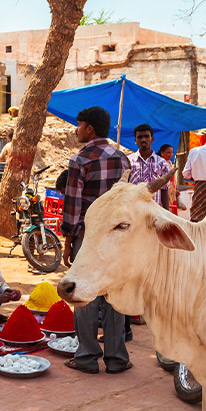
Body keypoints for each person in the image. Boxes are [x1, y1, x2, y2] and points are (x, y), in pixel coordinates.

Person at [62, 106, 131, 374]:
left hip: (87, 238)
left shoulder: (80, 160)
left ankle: (87, 356)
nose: (76, 130)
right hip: (117, 240)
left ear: (89, 128)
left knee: (83, 294)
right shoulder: (124, 160)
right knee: (115, 295)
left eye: (79, 125)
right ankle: (116, 358)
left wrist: (68, 241)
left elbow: (73, 205)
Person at [127, 124, 170, 209]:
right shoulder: (128, 161)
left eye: (146, 136)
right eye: (140, 137)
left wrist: (166, 212)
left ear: (152, 139)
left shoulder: (162, 163)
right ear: (135, 140)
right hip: (134, 210)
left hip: (155, 211)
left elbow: (164, 189)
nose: (143, 140)